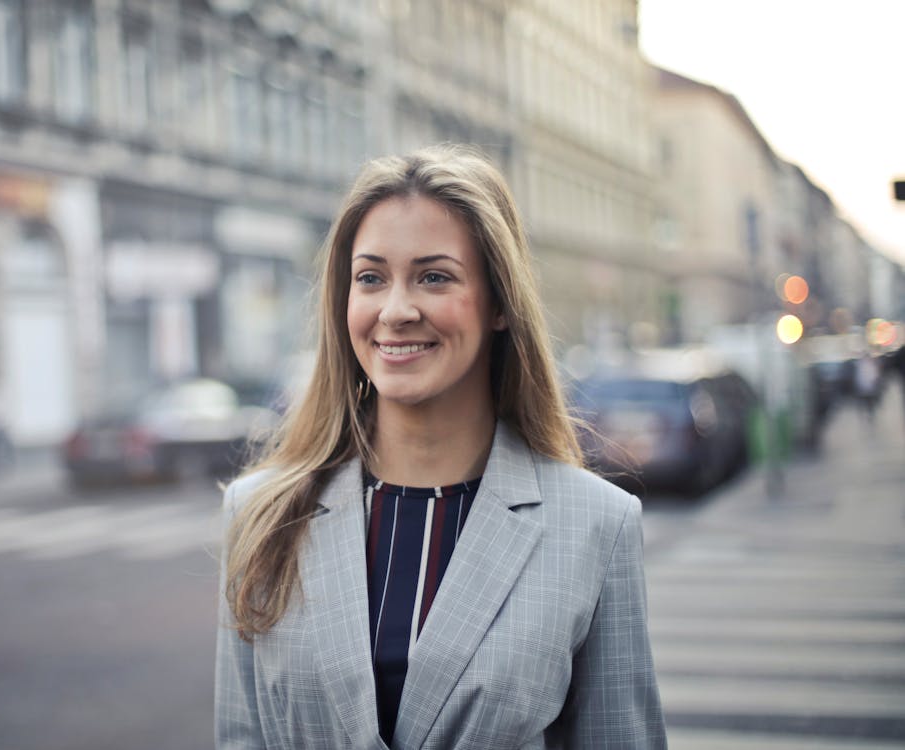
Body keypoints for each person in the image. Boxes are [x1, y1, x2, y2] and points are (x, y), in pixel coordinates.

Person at [215, 145, 666, 749]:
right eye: (370, 278)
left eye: (434, 276)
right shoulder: (260, 514)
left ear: (500, 304)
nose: (396, 311)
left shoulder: (596, 525)